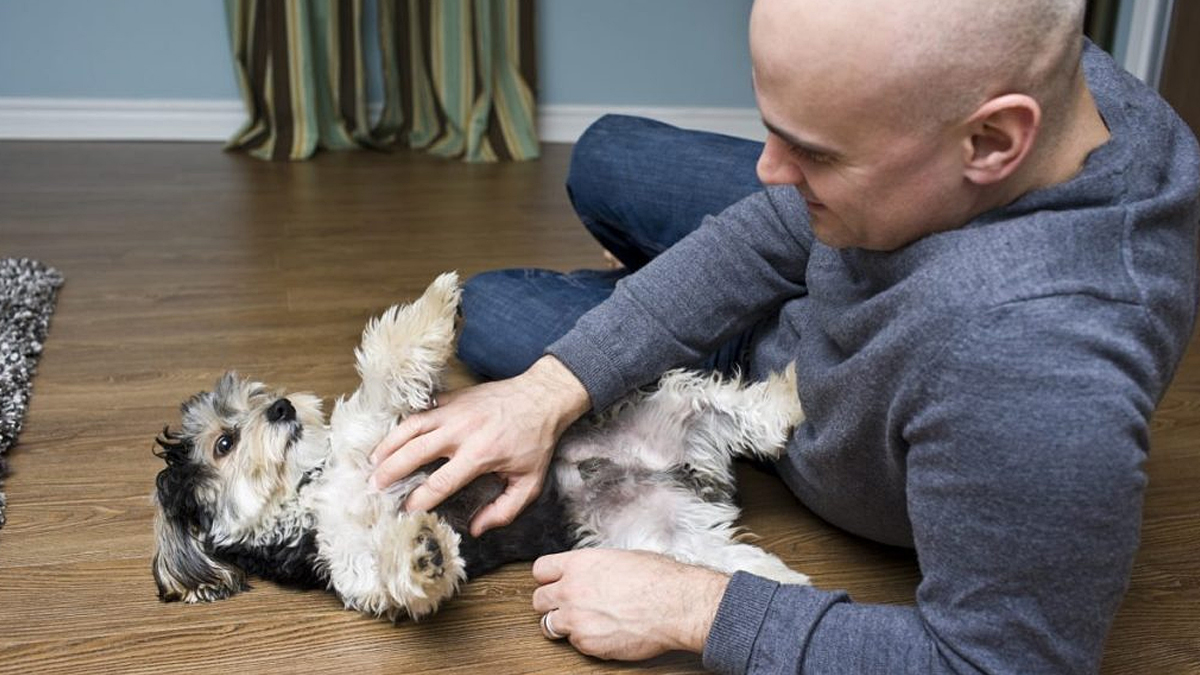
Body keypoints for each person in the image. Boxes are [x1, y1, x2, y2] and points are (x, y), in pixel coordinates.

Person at [369, 0, 1200, 671]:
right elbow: (772, 223)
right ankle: (699, 275)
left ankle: (671, 309)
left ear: (991, 141)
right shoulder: (1061, 83)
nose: (768, 167)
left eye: (809, 151)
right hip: (838, 262)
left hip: (783, 386)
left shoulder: (1037, 372)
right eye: (773, 130)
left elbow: (1001, 663)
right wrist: (551, 390)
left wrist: (693, 607)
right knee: (602, 152)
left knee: (492, 307)